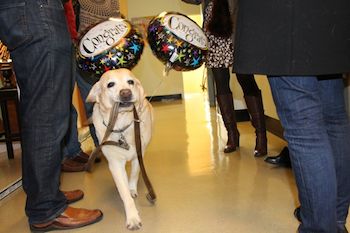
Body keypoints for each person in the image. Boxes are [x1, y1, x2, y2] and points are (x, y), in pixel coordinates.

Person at [233, 0, 350, 232]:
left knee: (305, 129)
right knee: (334, 119)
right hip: (331, 13)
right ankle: (334, 218)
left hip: (283, 16)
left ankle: (320, 226)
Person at [0, 0, 103, 231]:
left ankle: (43, 193)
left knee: (42, 108)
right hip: (35, 10)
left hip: (28, 11)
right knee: (47, 113)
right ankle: (46, 207)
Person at [185, 0, 267, 156]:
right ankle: (232, 135)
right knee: (221, 85)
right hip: (213, 33)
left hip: (237, 31)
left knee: (246, 81)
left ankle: (261, 137)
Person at [61, 0, 120, 172]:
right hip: (74, 50)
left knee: (97, 104)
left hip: (99, 58)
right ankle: (70, 152)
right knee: (65, 102)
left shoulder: (113, 1)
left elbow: (116, 26)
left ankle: (103, 146)